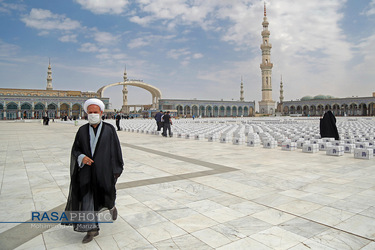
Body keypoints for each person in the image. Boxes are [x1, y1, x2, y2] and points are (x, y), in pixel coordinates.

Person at [63, 98, 124, 244]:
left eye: (95, 112)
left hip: (104, 171)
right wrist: (82, 157)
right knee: (87, 199)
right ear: (86, 113)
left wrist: (116, 170)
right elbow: (76, 149)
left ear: (101, 113)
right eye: (90, 112)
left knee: (106, 196)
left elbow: (116, 151)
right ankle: (91, 229)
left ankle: (111, 206)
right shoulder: (82, 130)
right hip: (86, 172)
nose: (92, 115)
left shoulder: (109, 130)